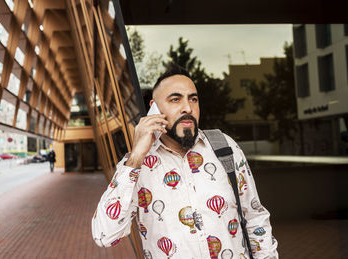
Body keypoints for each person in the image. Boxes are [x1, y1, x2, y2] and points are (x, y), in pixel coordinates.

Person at [92, 63, 278, 258]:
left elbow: (255, 218)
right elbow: (104, 235)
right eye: (175, 99)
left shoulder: (224, 147)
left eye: (193, 99)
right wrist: (137, 155)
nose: (187, 108)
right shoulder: (136, 166)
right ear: (154, 108)